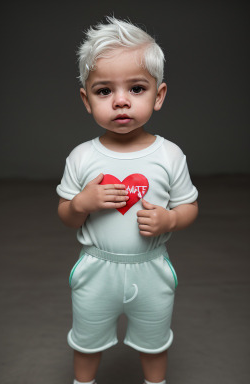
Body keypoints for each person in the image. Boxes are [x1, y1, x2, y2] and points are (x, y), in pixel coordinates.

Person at [57, 16, 198, 384]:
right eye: (105, 92)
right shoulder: (82, 158)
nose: (121, 102)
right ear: (87, 101)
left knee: (155, 342)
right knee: (86, 342)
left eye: (136, 88)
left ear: (159, 95)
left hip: (150, 268)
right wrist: (81, 204)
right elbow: (67, 216)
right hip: (96, 269)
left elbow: (188, 207)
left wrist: (170, 220)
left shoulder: (169, 156)